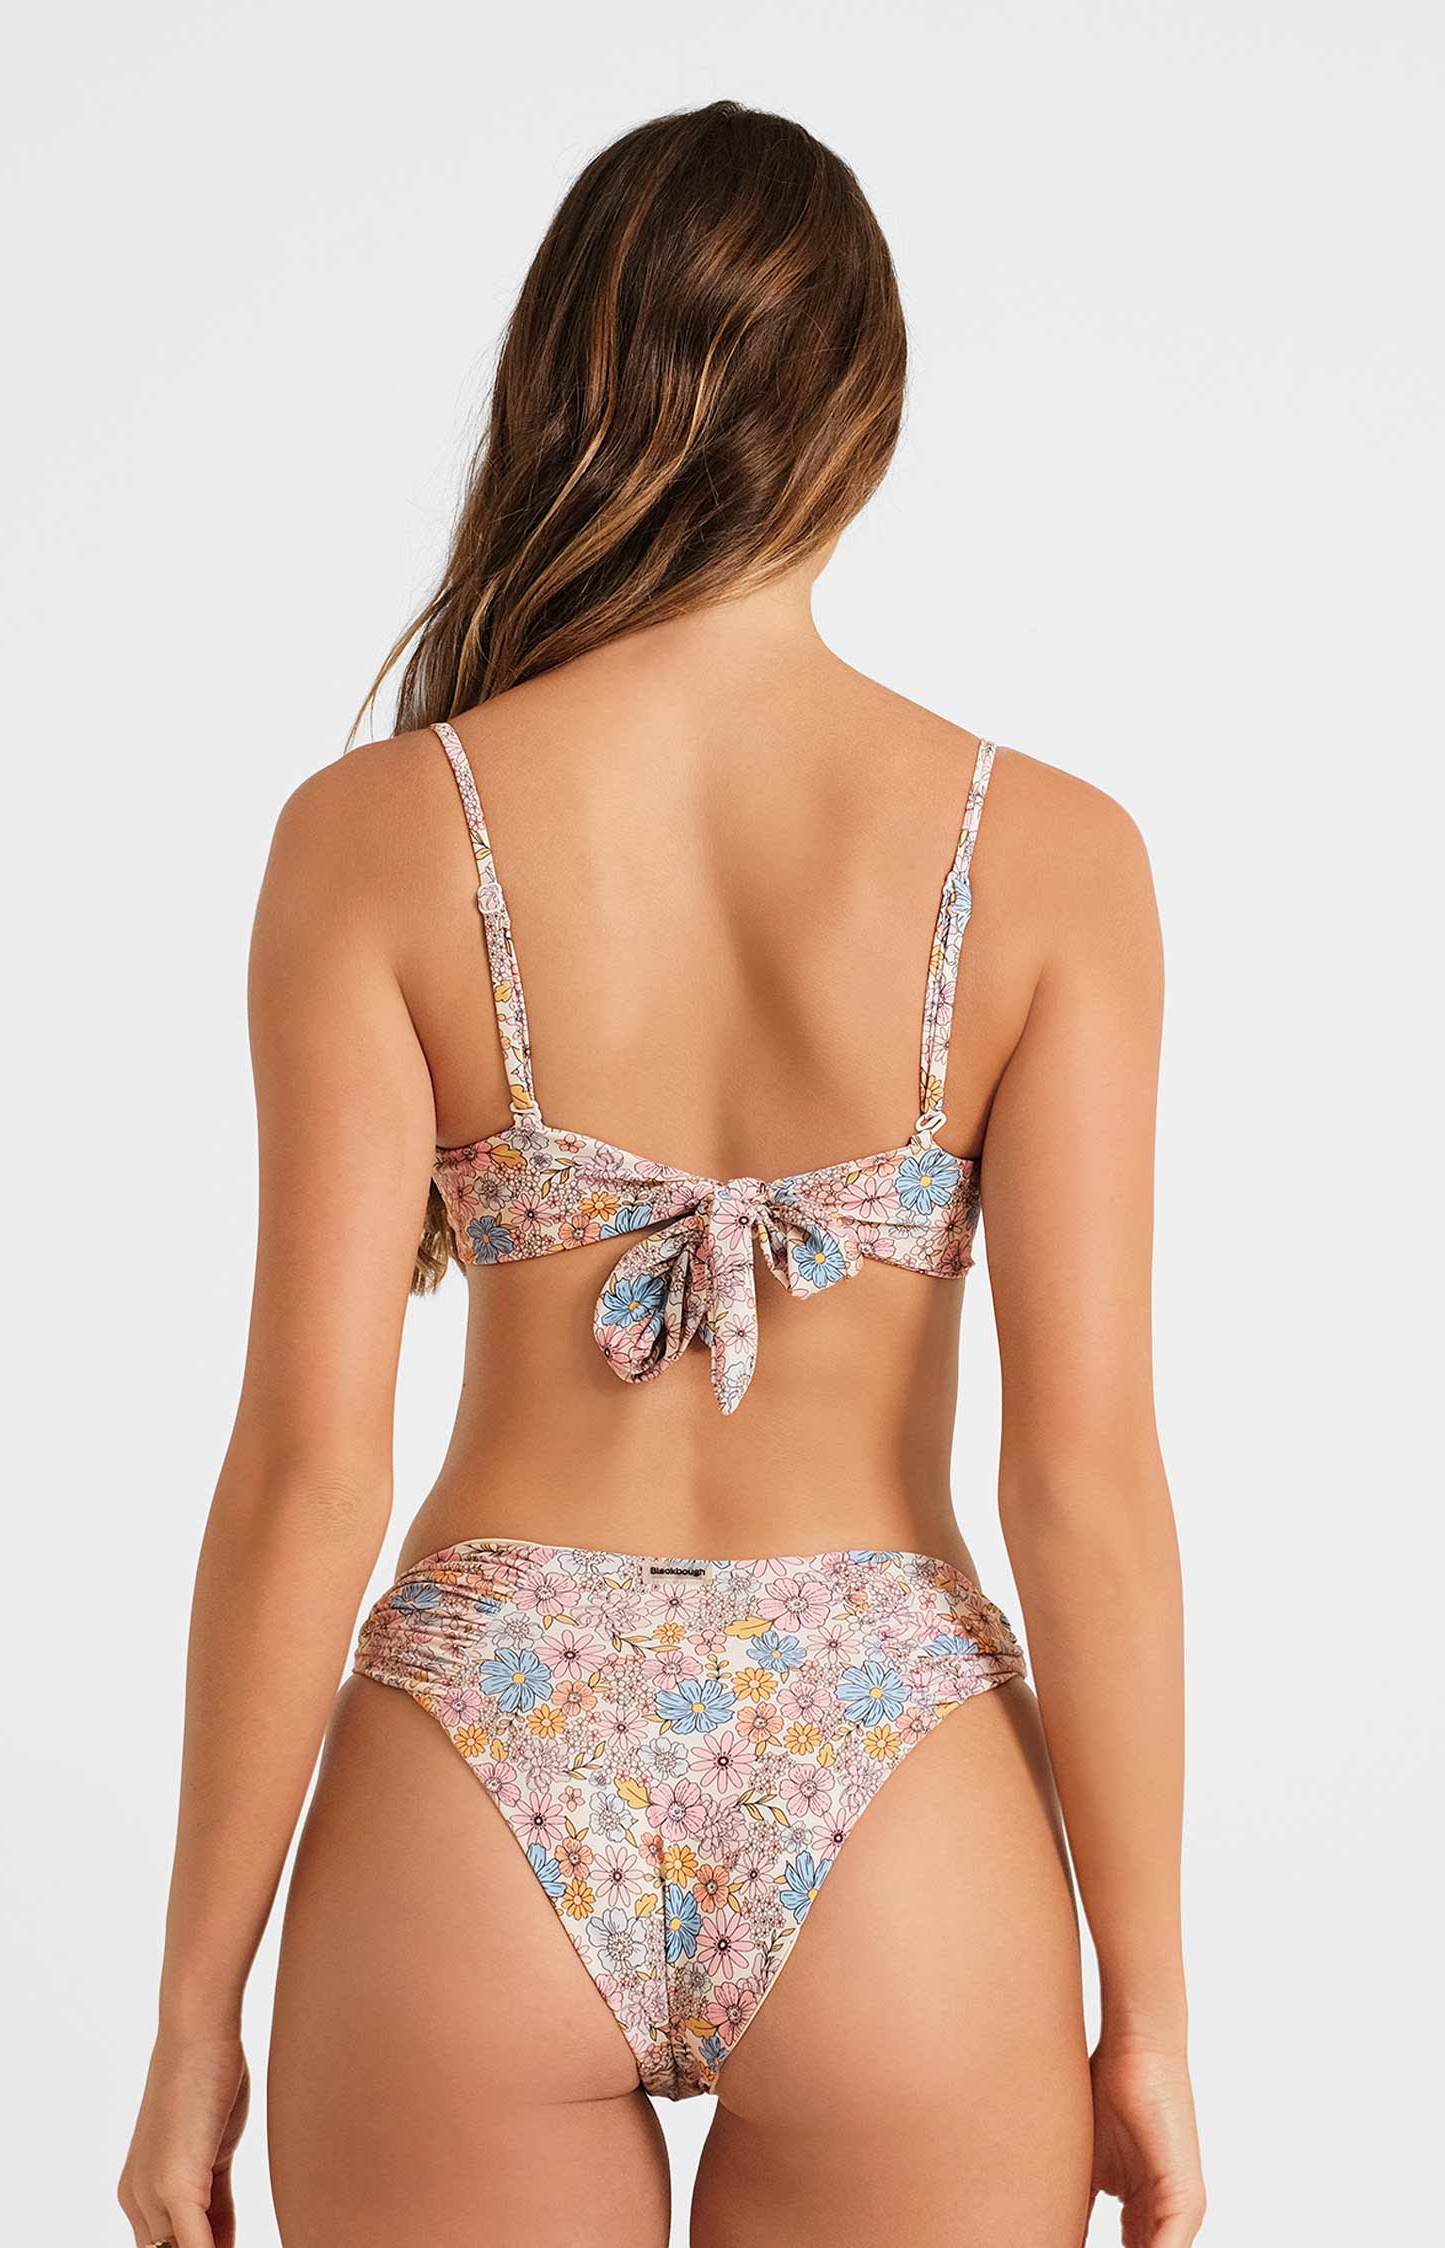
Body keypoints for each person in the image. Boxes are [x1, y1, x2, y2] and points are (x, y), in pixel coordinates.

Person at [119, 100, 1203, 2248]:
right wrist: (1151, 2007)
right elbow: (1080, 1481)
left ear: (559, 388)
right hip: (893, 1763)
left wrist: (190, 2011)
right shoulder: (1053, 858)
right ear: (862, 417)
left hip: (480, 1744)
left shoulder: (374, 839)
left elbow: (310, 1469)